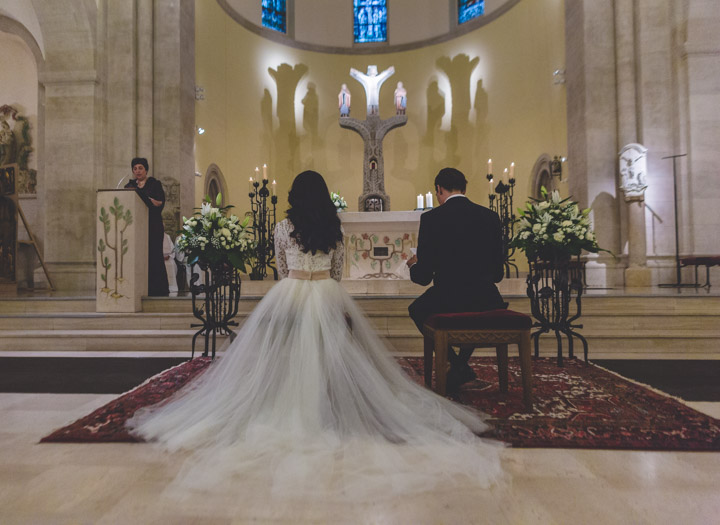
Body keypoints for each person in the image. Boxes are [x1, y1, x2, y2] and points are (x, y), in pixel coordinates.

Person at [127, 170, 502, 503]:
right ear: (324, 197)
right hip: (325, 292)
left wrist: (293, 287)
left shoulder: (281, 228)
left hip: (290, 292)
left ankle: (280, 402)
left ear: (293, 196)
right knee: (333, 349)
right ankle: (333, 401)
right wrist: (325, 290)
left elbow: (279, 266)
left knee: (281, 352)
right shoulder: (333, 228)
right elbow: (338, 272)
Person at [407, 167, 507, 394]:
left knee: (417, 309)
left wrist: (413, 264)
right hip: (487, 299)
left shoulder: (431, 219)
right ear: (465, 188)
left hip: (447, 299)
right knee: (473, 308)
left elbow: (423, 278)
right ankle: (460, 365)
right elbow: (498, 273)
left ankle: (456, 363)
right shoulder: (490, 217)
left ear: (439, 190)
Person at [125, 157, 169, 296]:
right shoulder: (130, 187)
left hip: (153, 226)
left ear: (146, 169)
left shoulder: (154, 184)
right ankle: (138, 288)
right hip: (135, 227)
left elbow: (159, 202)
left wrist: (146, 198)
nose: (137, 171)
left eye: (140, 168)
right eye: (135, 168)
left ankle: (157, 289)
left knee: (154, 256)